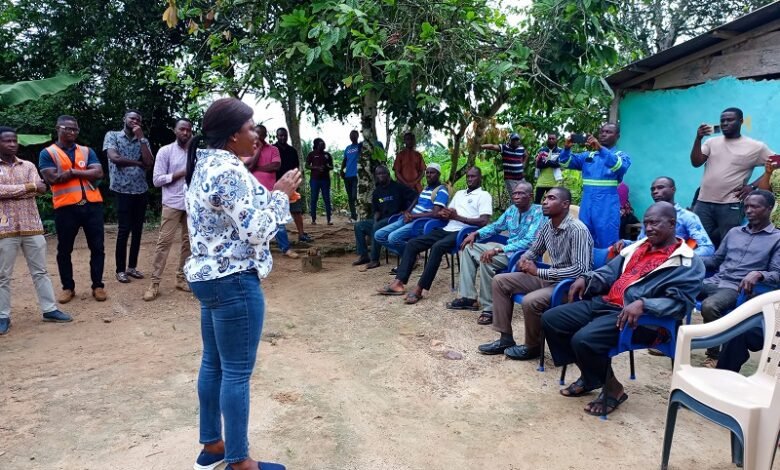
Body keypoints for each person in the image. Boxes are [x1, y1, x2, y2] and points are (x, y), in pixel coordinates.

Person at [185, 98, 297, 470]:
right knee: (235, 372)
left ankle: (212, 445)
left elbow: (247, 204)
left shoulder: (207, 164)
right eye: (252, 129)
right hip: (233, 279)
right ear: (233, 135)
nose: (257, 136)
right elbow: (256, 230)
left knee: (213, 363)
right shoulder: (229, 171)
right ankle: (239, 460)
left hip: (209, 278)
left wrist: (276, 194)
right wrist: (281, 198)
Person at [541, 202, 704, 416]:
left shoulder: (687, 262)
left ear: (672, 224)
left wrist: (645, 304)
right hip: (608, 304)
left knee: (584, 339)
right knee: (552, 319)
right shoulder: (638, 247)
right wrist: (586, 278)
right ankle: (591, 377)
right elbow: (609, 272)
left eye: (655, 223)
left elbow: (680, 303)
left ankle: (612, 389)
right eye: (646, 223)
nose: (649, 228)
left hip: (643, 319)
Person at [478, 187, 593, 359]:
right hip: (552, 277)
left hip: (569, 286)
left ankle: (532, 346)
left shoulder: (577, 230)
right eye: (545, 198)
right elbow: (535, 249)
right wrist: (524, 258)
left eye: (551, 198)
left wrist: (538, 271)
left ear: (565, 204)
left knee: (531, 301)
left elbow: (580, 270)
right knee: (500, 281)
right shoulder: (549, 226)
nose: (545, 201)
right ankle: (505, 338)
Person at [378, 167, 492, 304]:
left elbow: (484, 221)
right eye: (468, 176)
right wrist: (445, 214)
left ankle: (419, 289)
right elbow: (449, 211)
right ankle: (398, 283)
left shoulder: (484, 195)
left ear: (480, 178)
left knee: (437, 247)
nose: (470, 179)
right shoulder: (460, 194)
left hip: (465, 232)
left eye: (473, 176)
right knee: (413, 243)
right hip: (448, 228)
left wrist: (458, 217)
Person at [0, 127, 71, 334]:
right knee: (3, 275)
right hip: (4, 228)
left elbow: (41, 188)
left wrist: (17, 191)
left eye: (14, 140)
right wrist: (28, 188)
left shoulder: (29, 165)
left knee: (40, 271)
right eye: (7, 141)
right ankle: (3, 315)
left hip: (32, 226)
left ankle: (49, 309)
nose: (12, 144)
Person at [698, 190, 780, 367]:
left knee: (710, 306)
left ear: (769, 208)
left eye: (755, 206)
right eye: (747, 206)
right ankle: (665, 337)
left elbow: (777, 275)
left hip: (736, 288)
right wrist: (689, 259)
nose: (749, 210)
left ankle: (713, 354)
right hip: (715, 281)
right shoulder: (734, 232)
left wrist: (759, 274)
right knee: (674, 288)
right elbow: (715, 260)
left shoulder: (777, 239)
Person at [446, 181, 545, 324]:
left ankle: (490, 308)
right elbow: (496, 226)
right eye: (515, 193)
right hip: (507, 250)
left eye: (521, 193)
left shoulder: (539, 212)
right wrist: (476, 233)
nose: (516, 196)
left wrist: (498, 249)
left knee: (487, 259)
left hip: (523, 256)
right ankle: (468, 297)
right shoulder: (512, 210)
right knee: (469, 248)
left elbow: (530, 242)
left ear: (530, 196)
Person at [39, 115, 107, 303]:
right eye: (68, 128)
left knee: (98, 248)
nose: (72, 132)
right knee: (64, 249)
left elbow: (99, 172)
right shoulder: (48, 153)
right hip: (66, 208)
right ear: (57, 128)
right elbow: (52, 178)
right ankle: (68, 287)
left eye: (75, 129)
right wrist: (85, 174)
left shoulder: (86, 151)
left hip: (92, 205)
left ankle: (98, 285)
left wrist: (72, 172)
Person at [691, 107, 774, 248]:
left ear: (740, 121)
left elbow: (777, 164)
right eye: (722, 120)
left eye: (730, 120)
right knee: (698, 241)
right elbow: (696, 162)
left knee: (728, 243)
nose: (725, 123)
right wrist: (698, 138)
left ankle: (725, 269)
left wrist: (752, 187)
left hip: (731, 204)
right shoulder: (711, 142)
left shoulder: (756, 147)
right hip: (703, 202)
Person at [143, 118, 193, 301]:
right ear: (175, 130)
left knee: (189, 244)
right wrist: (180, 173)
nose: (185, 133)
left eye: (188, 130)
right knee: (164, 243)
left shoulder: (195, 153)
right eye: (182, 129)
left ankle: (182, 278)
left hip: (191, 205)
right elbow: (156, 180)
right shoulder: (165, 151)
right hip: (172, 203)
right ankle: (154, 283)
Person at [558, 123, 630, 248]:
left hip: (606, 205)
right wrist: (567, 148)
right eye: (602, 131)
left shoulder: (621, 156)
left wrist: (600, 149)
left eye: (608, 132)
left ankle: (606, 267)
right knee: (584, 242)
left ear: (617, 136)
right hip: (587, 204)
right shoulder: (588, 156)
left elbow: (619, 166)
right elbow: (564, 162)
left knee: (608, 245)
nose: (604, 134)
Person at [104, 109, 154, 283]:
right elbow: (115, 158)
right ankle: (120, 270)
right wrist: (137, 163)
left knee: (138, 231)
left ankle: (131, 267)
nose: (135, 121)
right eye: (132, 118)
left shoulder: (143, 140)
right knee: (124, 230)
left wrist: (141, 138)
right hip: (121, 190)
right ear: (124, 118)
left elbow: (149, 163)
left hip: (140, 189)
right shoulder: (113, 136)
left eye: (138, 120)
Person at [612, 177, 714, 257]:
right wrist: (625, 243)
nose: (655, 192)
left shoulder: (687, 217)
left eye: (660, 187)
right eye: (653, 189)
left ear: (673, 189)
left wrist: (679, 257)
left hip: (671, 266)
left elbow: (707, 248)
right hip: (646, 260)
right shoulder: (649, 217)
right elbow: (641, 243)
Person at [374, 163, 449, 259]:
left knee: (393, 238)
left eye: (432, 173)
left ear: (438, 174)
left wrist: (413, 216)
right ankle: (410, 256)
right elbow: (417, 198)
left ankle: (409, 258)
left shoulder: (441, 190)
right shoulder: (426, 188)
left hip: (421, 223)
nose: (429, 175)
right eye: (427, 173)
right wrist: (407, 212)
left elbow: (435, 214)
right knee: (378, 235)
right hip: (410, 218)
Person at [244, 125, 298, 260]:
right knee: (252, 220)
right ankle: (255, 250)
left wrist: (258, 167)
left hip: (270, 190)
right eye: (256, 134)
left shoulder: (274, 149)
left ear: (265, 135)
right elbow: (248, 166)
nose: (258, 137)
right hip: (252, 192)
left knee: (278, 220)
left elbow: (276, 165)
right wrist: (258, 150)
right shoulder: (247, 149)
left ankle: (285, 248)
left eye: (261, 135)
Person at [353, 165, 416, 269]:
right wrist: (375, 217)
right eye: (378, 174)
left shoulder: (398, 187)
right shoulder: (377, 192)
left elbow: (415, 196)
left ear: (388, 174)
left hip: (396, 219)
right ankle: (364, 255)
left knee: (377, 226)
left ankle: (374, 260)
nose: (381, 176)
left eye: (383, 173)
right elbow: (376, 209)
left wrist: (407, 211)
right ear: (376, 176)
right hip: (382, 219)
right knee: (359, 226)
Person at [275, 128, 312, 242]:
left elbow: (296, 168)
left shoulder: (292, 151)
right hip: (277, 185)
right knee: (277, 212)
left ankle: (301, 234)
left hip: (291, 184)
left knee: (296, 210)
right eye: (280, 135)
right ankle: (280, 239)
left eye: (284, 135)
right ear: (277, 136)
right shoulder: (273, 149)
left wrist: (297, 182)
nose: (283, 137)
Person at [306, 138, 334, 225]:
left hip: (325, 180)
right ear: (317, 145)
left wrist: (327, 167)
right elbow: (307, 165)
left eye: (324, 144)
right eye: (321, 144)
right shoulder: (311, 154)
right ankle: (313, 219)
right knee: (314, 199)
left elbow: (332, 166)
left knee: (327, 199)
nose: (323, 145)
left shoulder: (327, 154)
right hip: (314, 180)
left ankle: (329, 220)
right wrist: (316, 168)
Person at [533, 133, 562, 203]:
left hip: (554, 182)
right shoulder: (541, 150)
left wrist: (547, 162)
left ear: (556, 140)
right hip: (541, 182)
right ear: (547, 140)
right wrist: (551, 163)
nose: (551, 140)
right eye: (549, 138)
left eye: (553, 139)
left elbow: (559, 164)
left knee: (551, 203)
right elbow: (538, 164)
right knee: (537, 202)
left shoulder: (560, 151)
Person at [341, 130, 361, 222]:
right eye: (351, 135)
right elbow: (345, 160)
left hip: (356, 176)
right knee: (350, 197)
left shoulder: (360, 146)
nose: (352, 136)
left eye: (354, 135)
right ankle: (353, 217)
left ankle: (360, 214)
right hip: (347, 176)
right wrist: (342, 170)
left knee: (354, 196)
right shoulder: (348, 148)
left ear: (357, 136)